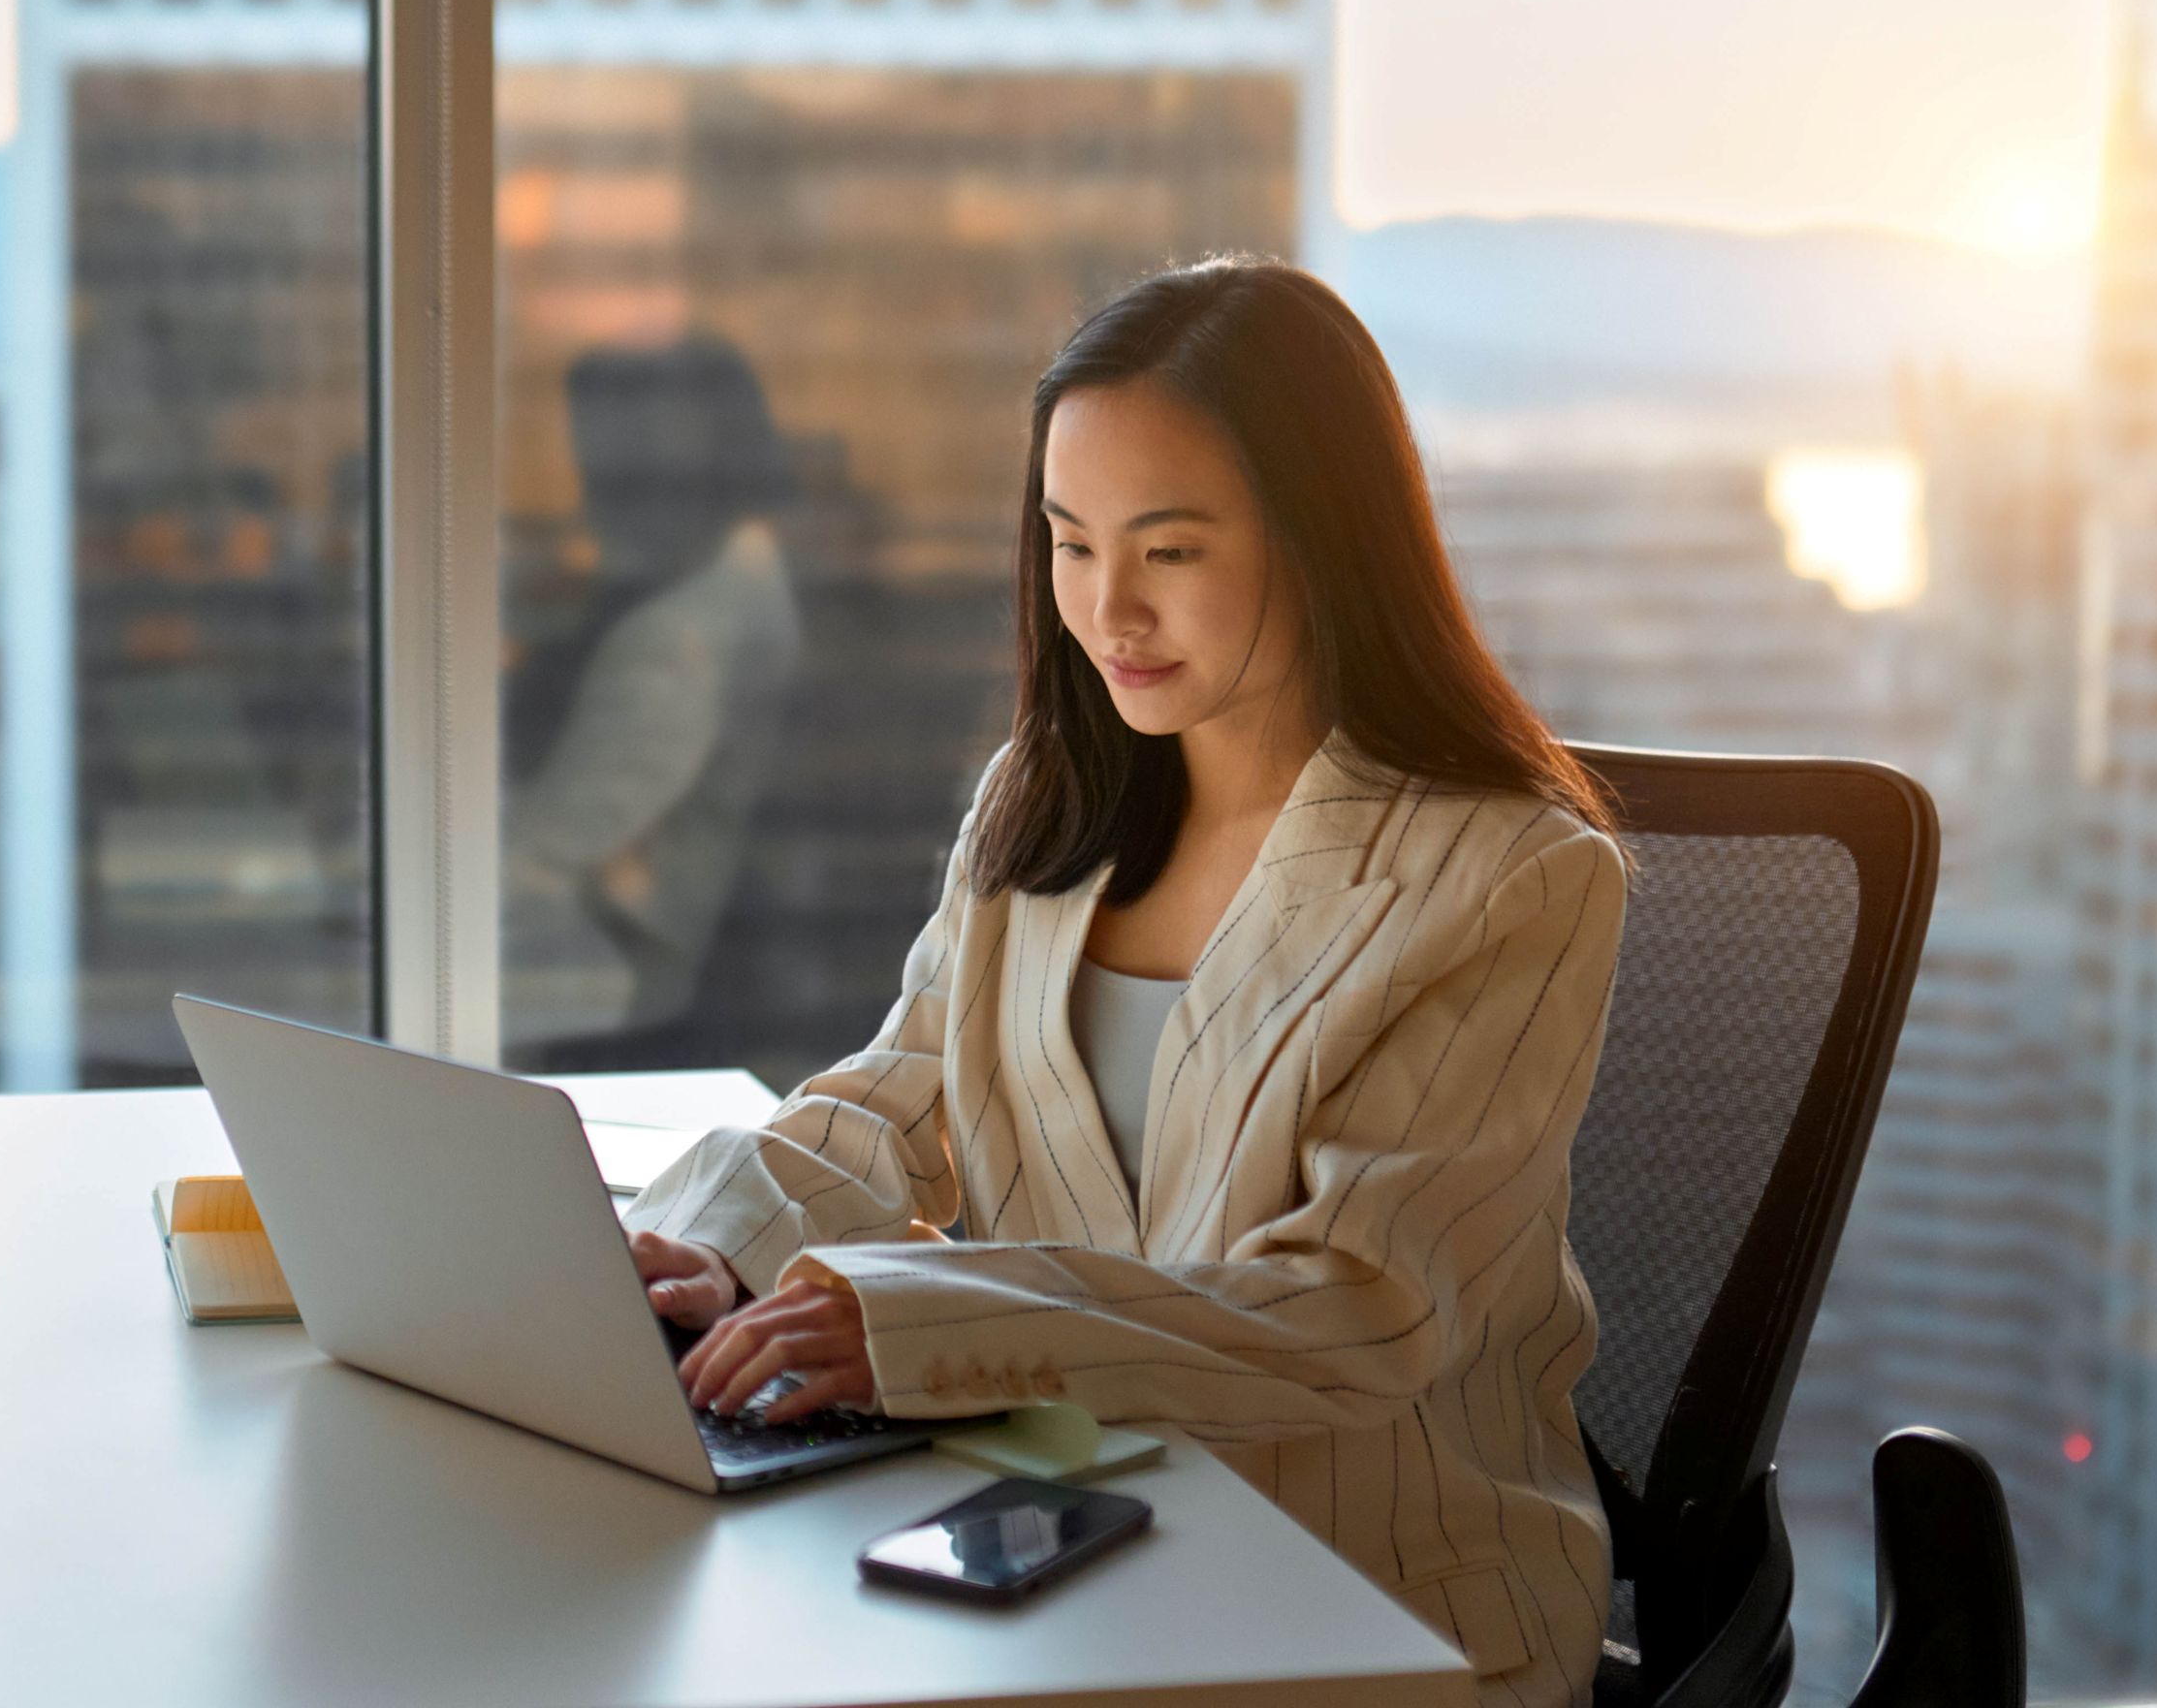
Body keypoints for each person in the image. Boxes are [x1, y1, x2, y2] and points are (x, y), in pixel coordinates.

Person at [621, 256, 1625, 1708]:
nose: (1109, 612)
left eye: (1171, 550)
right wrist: (715, 1244)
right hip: (1068, 1529)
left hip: (1375, 1596)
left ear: (1324, 537)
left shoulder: (1510, 877)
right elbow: (902, 1101)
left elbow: (1358, 1310)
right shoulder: (1048, 795)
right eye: (1069, 542)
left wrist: (922, 1321)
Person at [499, 333, 802, 1055]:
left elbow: (547, 848)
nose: (593, 494)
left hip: (628, 991)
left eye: (614, 470)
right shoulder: (752, 575)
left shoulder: (679, 638)